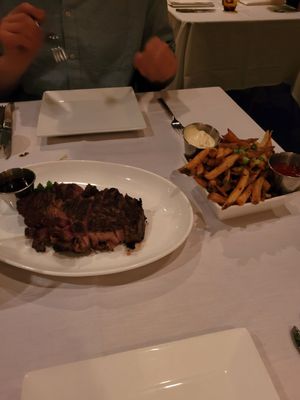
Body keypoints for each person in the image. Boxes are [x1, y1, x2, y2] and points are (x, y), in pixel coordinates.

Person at [0, 1, 177, 101]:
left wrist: (160, 71)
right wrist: (11, 66)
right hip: (25, 125)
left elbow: (160, 63)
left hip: (122, 119)